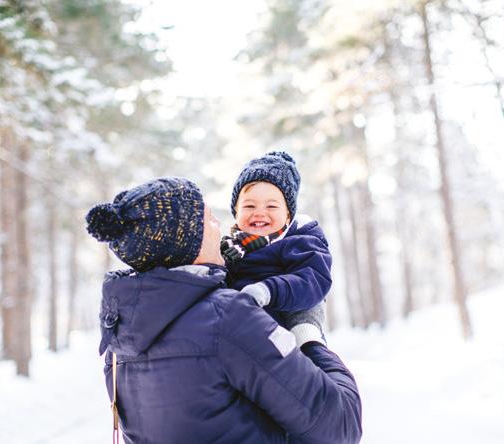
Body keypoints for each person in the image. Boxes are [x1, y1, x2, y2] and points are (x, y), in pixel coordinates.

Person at [86, 177, 362, 444]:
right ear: (188, 240)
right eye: (208, 219)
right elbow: (341, 424)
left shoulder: (122, 334)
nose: (219, 224)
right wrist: (309, 336)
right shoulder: (228, 317)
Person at [222, 151, 332, 326]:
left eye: (271, 206)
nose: (259, 213)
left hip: (286, 330)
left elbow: (313, 280)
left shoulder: (300, 240)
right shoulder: (229, 249)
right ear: (236, 211)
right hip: (240, 330)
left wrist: (268, 290)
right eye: (249, 206)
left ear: (288, 214)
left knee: (309, 329)